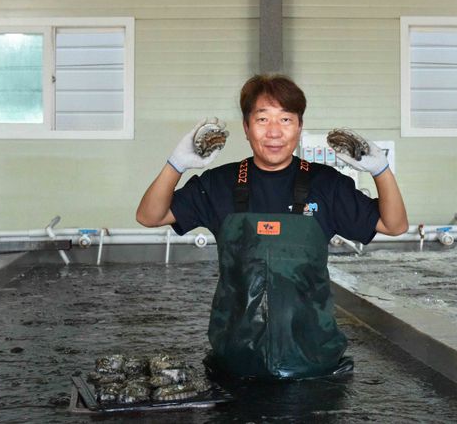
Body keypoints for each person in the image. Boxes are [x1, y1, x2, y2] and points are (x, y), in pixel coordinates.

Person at [136, 74, 408, 380]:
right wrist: (176, 164)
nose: (274, 132)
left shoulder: (327, 184)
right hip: (235, 366)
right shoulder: (218, 183)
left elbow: (394, 225)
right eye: (262, 119)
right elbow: (149, 216)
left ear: (299, 127)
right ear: (246, 127)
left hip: (314, 367)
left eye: (286, 119)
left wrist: (381, 171)